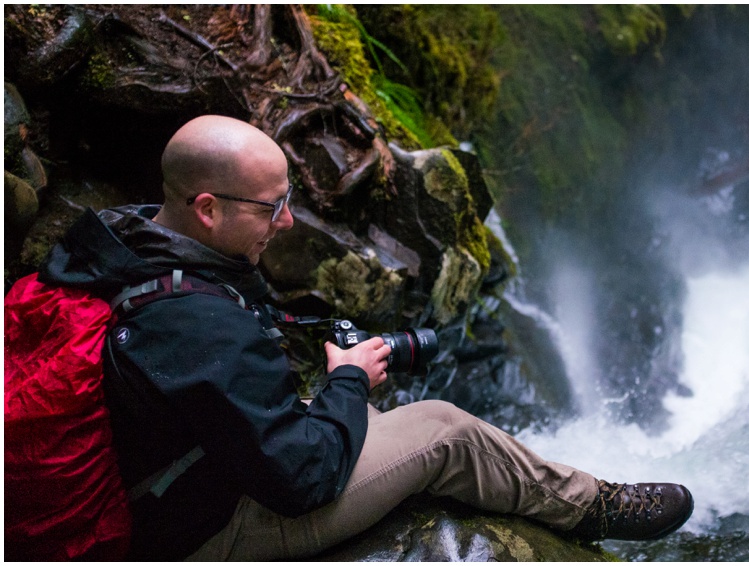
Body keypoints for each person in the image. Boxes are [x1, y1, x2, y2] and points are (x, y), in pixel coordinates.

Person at [35, 115, 693, 560]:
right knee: (444, 431)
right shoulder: (192, 319)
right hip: (204, 525)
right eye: (272, 207)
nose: (288, 222)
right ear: (206, 207)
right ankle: (596, 508)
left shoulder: (123, 243)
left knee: (369, 419)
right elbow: (301, 478)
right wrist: (348, 379)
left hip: (175, 476)